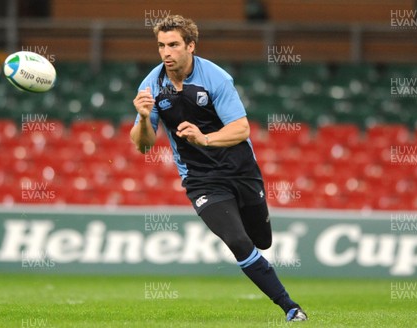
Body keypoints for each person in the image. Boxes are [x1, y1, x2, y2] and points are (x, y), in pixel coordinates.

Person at [130, 15, 308, 322]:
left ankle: (269, 267)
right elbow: (143, 145)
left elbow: (241, 129)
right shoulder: (151, 85)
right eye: (161, 46)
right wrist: (145, 118)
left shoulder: (216, 78)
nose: (166, 53)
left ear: (191, 46)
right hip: (201, 180)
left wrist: (205, 139)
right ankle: (290, 307)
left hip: (240, 170)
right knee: (239, 242)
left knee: (261, 240)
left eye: (173, 45)